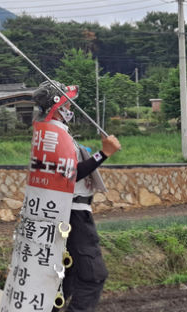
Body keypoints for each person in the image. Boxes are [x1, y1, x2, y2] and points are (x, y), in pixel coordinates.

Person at [33, 81, 122, 312]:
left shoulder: (46, 133)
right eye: (66, 103)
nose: (70, 108)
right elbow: (71, 173)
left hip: (62, 212)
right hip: (73, 214)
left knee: (65, 276)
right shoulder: (54, 134)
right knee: (93, 275)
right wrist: (104, 154)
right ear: (57, 107)